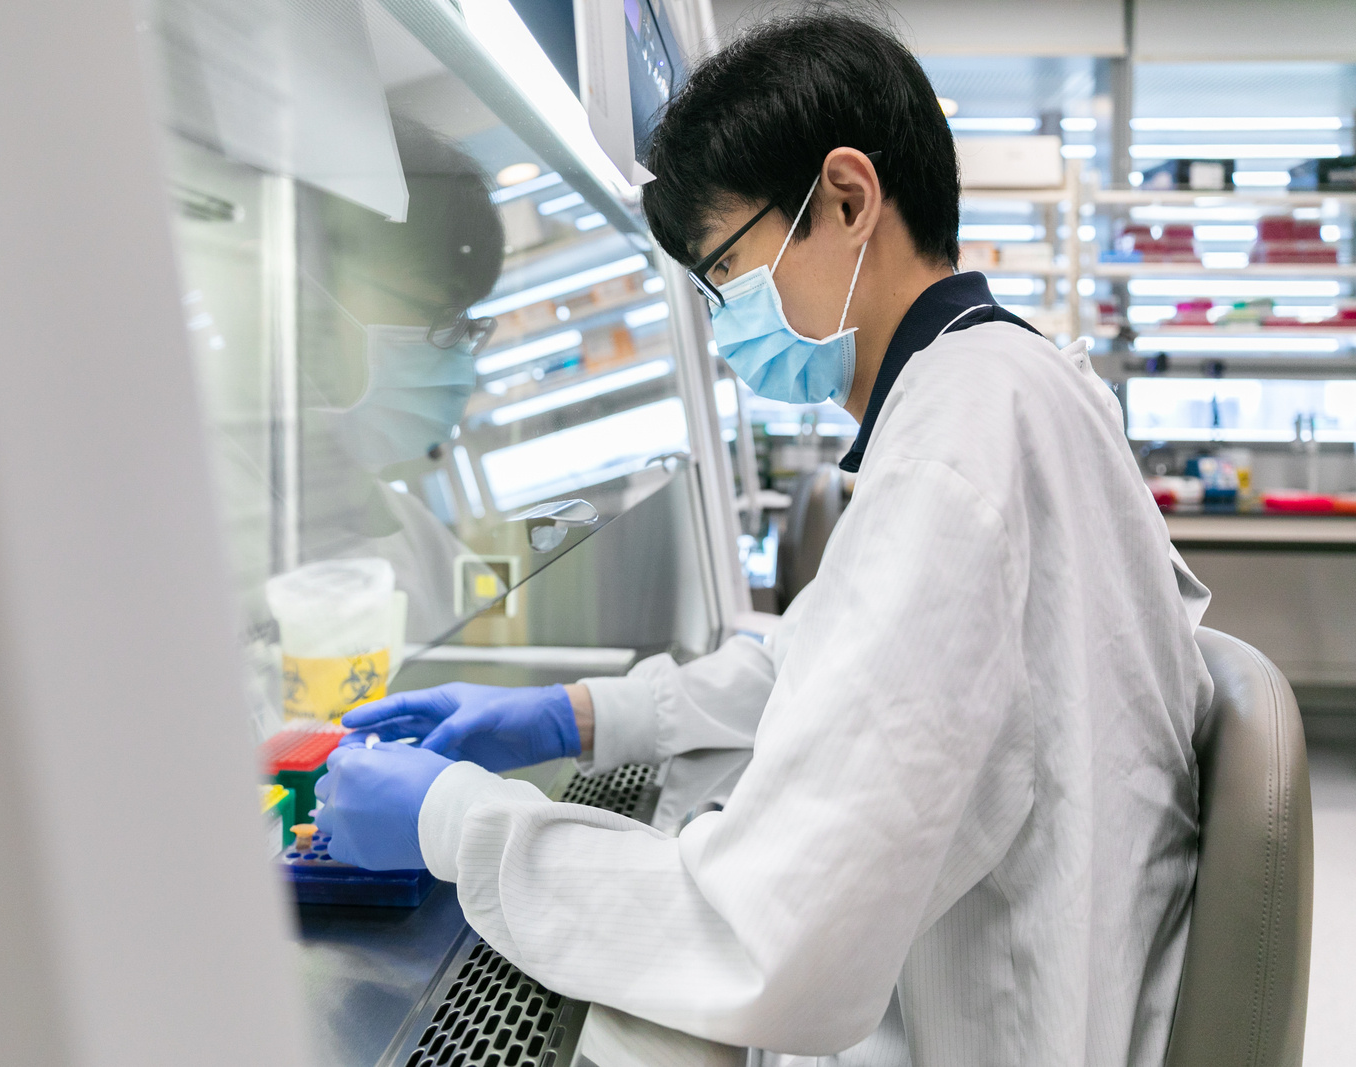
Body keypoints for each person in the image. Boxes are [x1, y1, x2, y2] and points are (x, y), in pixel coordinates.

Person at [313, 8, 1214, 1065]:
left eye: (723, 269)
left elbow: (765, 947)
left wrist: (452, 823)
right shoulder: (1004, 383)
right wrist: (574, 715)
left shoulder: (952, 449)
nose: (720, 316)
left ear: (845, 197)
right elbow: (832, 659)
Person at [297, 118, 505, 640]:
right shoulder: (218, 530)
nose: (455, 349)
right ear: (311, 292)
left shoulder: (399, 520)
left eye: (465, 324)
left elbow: (502, 644)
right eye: (438, 314)